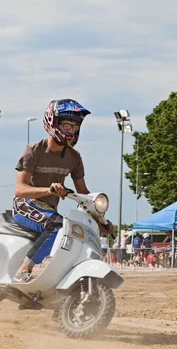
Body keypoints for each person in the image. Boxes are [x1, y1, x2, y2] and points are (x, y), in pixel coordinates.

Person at [12, 99, 113, 282]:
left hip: (49, 210)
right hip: (24, 206)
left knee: (72, 229)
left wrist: (99, 219)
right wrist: (48, 190)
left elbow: (83, 192)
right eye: (67, 125)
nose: (71, 130)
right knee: (58, 225)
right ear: (53, 123)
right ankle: (23, 271)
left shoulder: (74, 157)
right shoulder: (34, 151)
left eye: (75, 127)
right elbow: (19, 189)